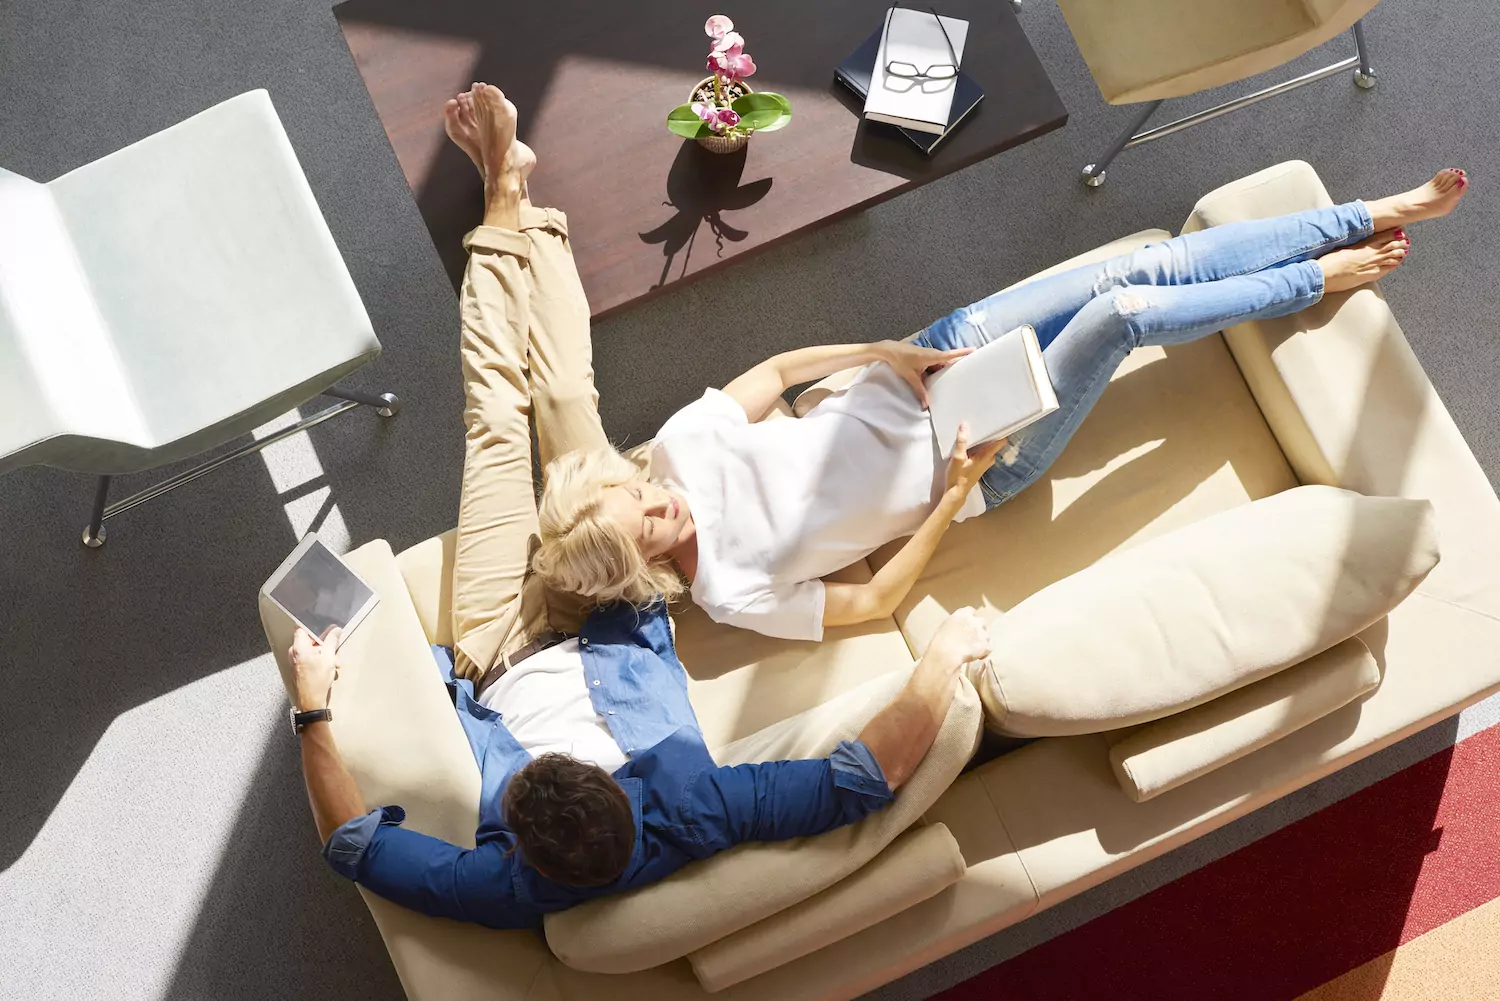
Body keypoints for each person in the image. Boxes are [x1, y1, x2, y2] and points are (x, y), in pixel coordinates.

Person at [286, 83, 990, 930]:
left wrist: (312, 708)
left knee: (500, 423)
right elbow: (867, 774)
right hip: (610, 594)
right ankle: (514, 201)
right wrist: (945, 657)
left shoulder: (510, 882)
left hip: (492, 647)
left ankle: (504, 199)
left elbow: (349, 843)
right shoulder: (696, 806)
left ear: (517, 833)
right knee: (564, 395)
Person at [533, 169, 1470, 641]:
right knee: (1125, 310)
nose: (659, 508)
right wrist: (952, 492)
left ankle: (1367, 209)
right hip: (987, 457)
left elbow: (777, 373)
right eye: (648, 532)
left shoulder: (681, 452)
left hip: (929, 362)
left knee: (1133, 264)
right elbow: (874, 600)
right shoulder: (727, 591)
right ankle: (1316, 276)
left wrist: (881, 350)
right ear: (642, 569)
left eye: (636, 495)